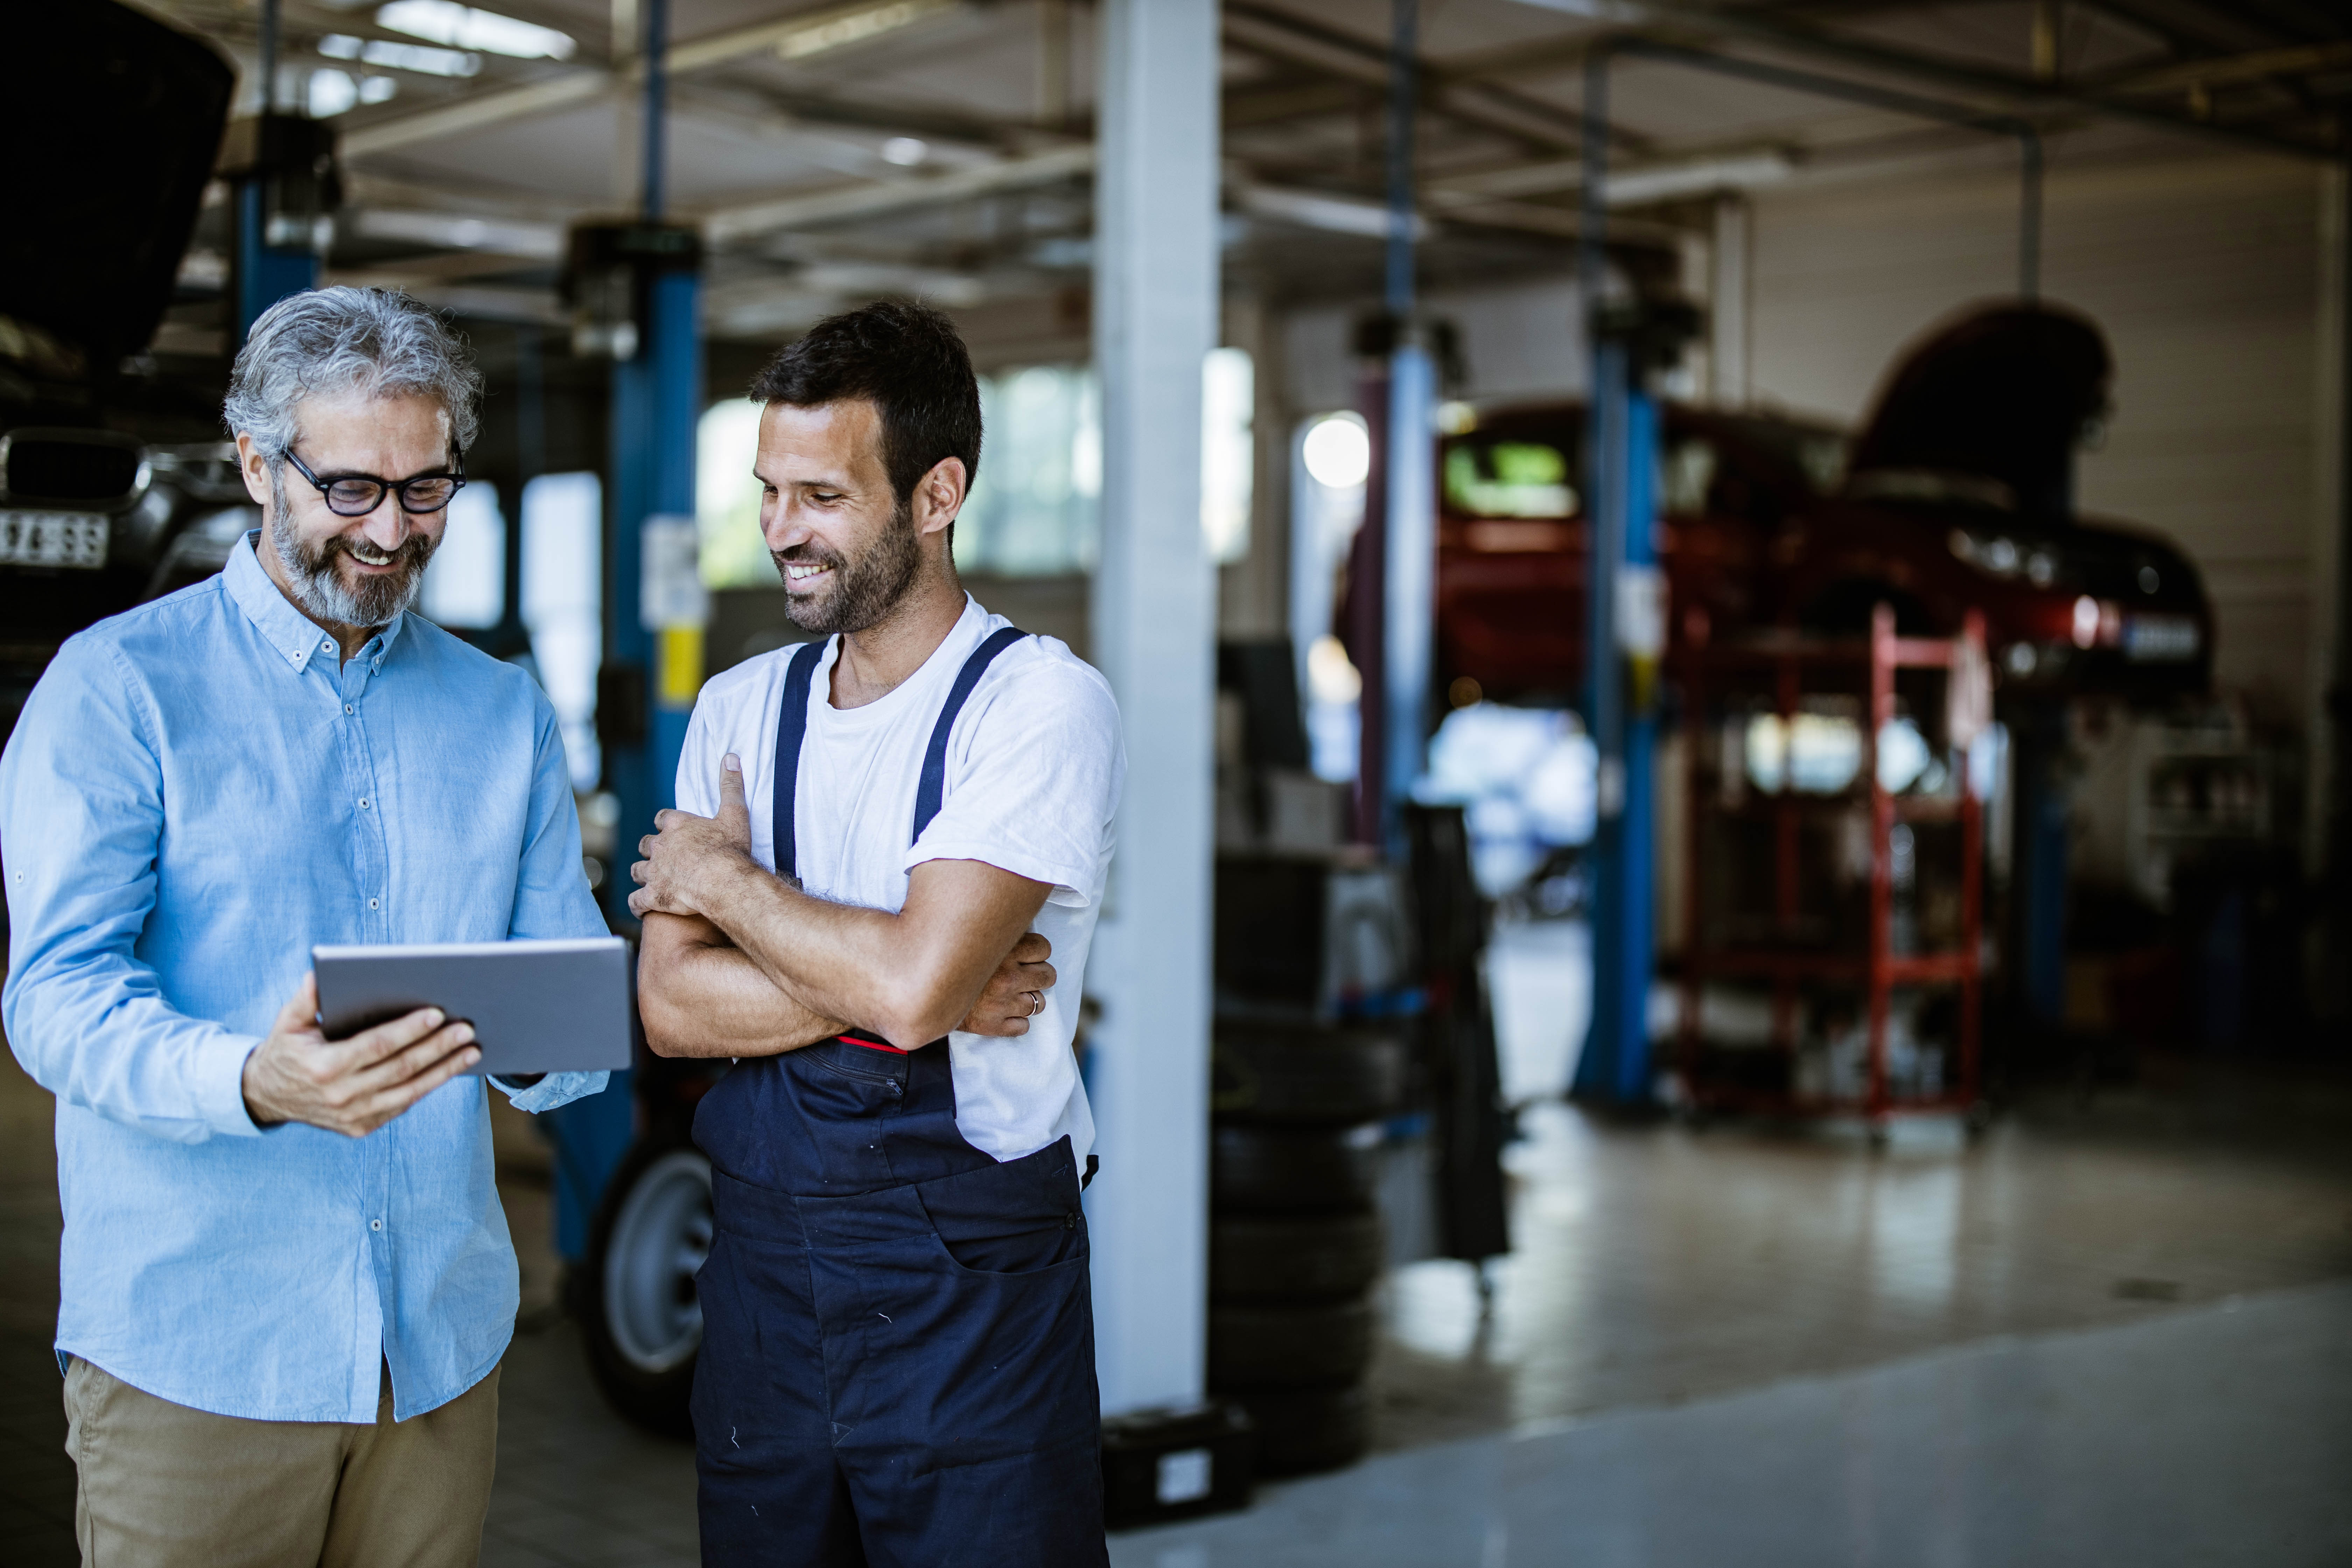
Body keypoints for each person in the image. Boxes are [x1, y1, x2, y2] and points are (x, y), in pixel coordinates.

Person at [628, 299, 1124, 1567]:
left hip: (973, 1313)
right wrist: (924, 975)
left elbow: (906, 993)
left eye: (822, 496)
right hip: (764, 1293)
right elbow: (674, 1009)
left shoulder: (1034, 706)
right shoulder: (739, 707)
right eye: (767, 490)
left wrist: (727, 887)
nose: (781, 531)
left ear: (936, 493)